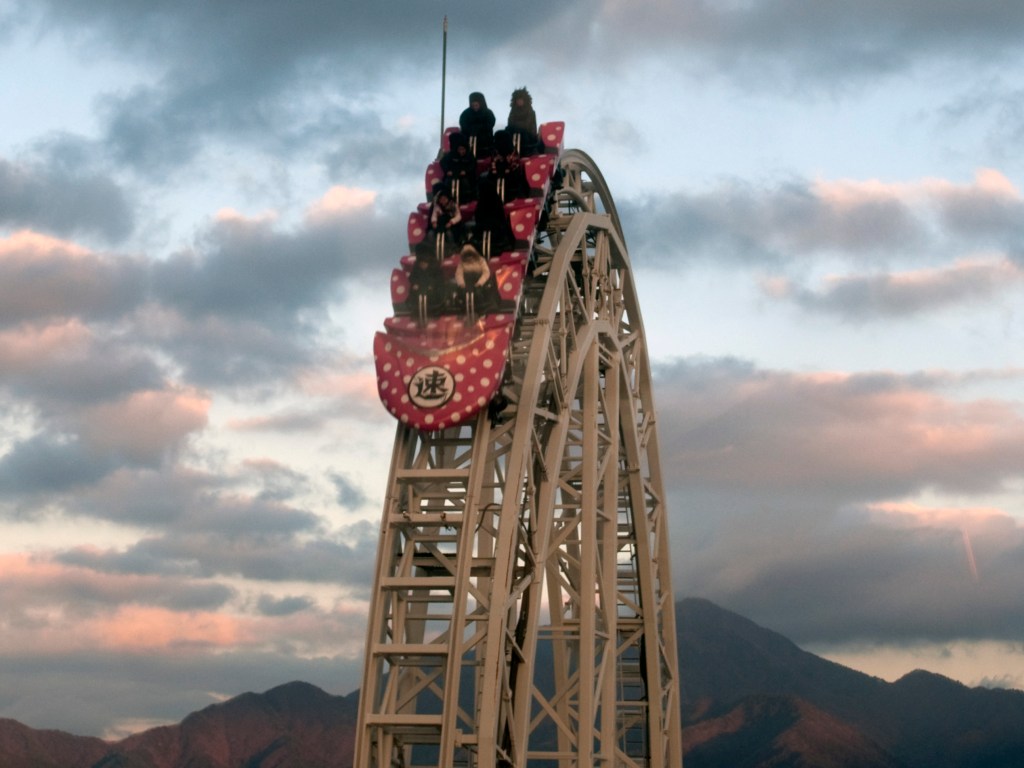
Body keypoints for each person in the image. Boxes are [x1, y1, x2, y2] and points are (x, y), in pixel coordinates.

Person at [407, 241, 450, 320]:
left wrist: (431, 285)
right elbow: (412, 277)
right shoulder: (416, 267)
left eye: (424, 263)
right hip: (420, 287)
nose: (423, 265)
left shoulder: (435, 267)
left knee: (432, 293)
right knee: (416, 292)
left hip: (433, 289)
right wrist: (415, 284)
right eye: (421, 264)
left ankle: (433, 312)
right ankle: (416, 311)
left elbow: (438, 279)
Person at [455, 244, 500, 314]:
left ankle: (482, 308)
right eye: (467, 255)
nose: (469, 257)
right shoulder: (462, 263)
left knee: (480, 292)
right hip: (468, 282)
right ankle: (465, 308)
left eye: (470, 254)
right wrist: (461, 284)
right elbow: (459, 274)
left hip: (480, 281)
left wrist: (480, 283)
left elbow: (486, 272)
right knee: (463, 292)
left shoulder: (481, 260)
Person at [488, 129, 528, 201]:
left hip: (510, 175)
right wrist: (495, 172)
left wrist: (506, 171)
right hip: (497, 174)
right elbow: (493, 164)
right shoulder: (495, 152)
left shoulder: (513, 153)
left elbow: (514, 167)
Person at [440, 131, 478, 203]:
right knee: (447, 182)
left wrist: (466, 171)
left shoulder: (469, 155)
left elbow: (473, 165)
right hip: (452, 174)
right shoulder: (451, 155)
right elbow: (443, 162)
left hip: (465, 176)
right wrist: (447, 171)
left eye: (463, 149)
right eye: (460, 149)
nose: (462, 151)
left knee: (466, 183)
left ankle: (467, 199)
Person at [428, 184, 466, 255]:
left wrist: (451, 222)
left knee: (449, 234)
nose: (443, 201)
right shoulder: (437, 206)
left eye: (444, 199)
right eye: (441, 199)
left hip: (450, 225)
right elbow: (434, 215)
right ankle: (434, 249)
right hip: (440, 225)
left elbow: (458, 216)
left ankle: (453, 248)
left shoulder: (453, 205)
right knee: (431, 234)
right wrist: (434, 222)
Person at [459, 91, 496, 157]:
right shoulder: (466, 113)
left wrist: (479, 129)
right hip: (469, 137)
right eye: (473, 105)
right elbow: (463, 124)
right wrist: (471, 130)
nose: (475, 107)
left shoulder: (488, 113)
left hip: (484, 138)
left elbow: (490, 124)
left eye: (476, 105)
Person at [506, 87, 537, 155]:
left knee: (522, 134)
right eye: (518, 100)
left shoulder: (530, 111)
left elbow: (527, 125)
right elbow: (510, 123)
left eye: (521, 99)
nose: (519, 101)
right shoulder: (513, 111)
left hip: (528, 137)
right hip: (514, 134)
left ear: (525, 100)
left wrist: (515, 126)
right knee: (504, 134)